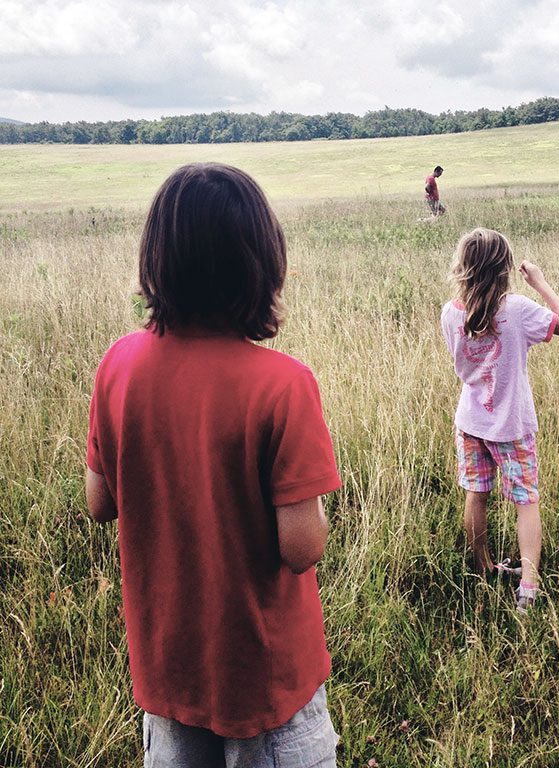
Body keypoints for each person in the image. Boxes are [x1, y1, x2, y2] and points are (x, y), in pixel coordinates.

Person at [85, 162, 341, 767]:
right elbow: (302, 548)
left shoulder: (119, 365)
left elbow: (99, 504)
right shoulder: (283, 385)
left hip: (168, 671)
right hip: (265, 679)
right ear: (261, 264)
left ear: (157, 260)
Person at [440, 228, 559, 613]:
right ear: (505, 268)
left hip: (471, 422)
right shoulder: (517, 310)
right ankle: (528, 587)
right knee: (526, 501)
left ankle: (484, 567)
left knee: (476, 494)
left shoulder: (451, 312)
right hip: (511, 426)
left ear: (463, 267)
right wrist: (540, 283)